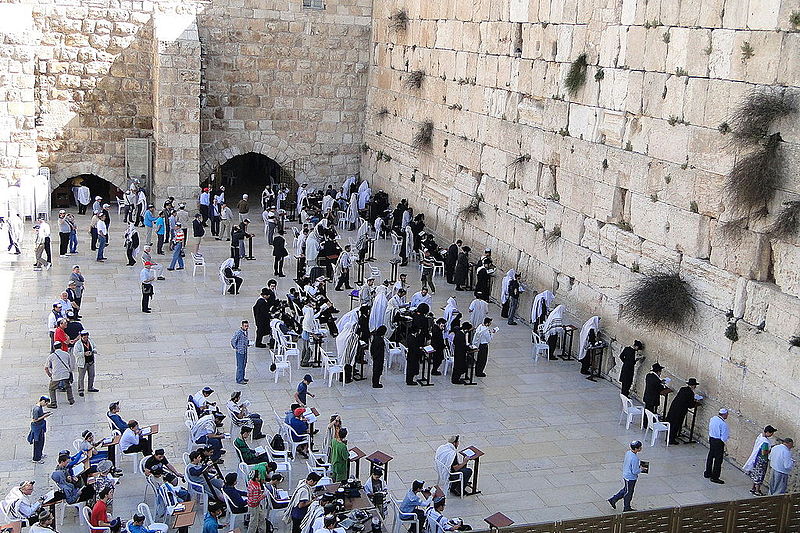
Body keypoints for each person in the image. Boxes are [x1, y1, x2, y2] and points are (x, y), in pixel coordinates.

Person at [607, 440, 643, 512]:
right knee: (628, 492)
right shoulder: (634, 458)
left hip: (626, 474)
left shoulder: (628, 453)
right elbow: (635, 471)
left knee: (626, 489)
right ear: (636, 449)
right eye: (639, 447)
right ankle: (626, 507)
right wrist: (641, 469)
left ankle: (613, 499)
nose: (641, 448)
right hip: (630, 477)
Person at [743, 425, 777, 496]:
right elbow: (764, 452)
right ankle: (757, 491)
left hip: (757, 459)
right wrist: (771, 450)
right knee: (760, 475)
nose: (772, 435)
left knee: (755, 474)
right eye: (771, 433)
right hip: (762, 460)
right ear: (767, 432)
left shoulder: (760, 437)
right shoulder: (765, 442)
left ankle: (753, 488)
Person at [665, 378, 700, 444]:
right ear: (693, 386)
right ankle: (671, 440)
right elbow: (690, 405)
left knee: (672, 423)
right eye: (695, 385)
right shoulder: (690, 393)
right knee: (676, 424)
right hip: (680, 411)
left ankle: (669, 437)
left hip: (674, 408)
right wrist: (696, 402)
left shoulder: (682, 389)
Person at [45, 342, 75, 408]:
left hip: (56, 376)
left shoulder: (51, 356)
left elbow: (46, 368)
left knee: (51, 389)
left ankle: (53, 403)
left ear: (54, 347)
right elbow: (71, 366)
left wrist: (50, 375)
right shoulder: (66, 354)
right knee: (68, 387)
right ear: (61, 346)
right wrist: (69, 372)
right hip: (65, 374)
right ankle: (71, 400)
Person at [704, 408, 730, 484]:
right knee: (718, 460)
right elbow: (724, 437)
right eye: (727, 414)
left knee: (710, 456)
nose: (727, 416)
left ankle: (707, 473)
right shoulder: (723, 424)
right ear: (724, 414)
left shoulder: (713, 418)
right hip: (718, 441)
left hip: (711, 439)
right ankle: (715, 477)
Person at [73, 330, 99, 396]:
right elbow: (75, 353)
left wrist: (93, 351)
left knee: (92, 375)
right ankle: (80, 389)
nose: (86, 338)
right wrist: (84, 354)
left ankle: (90, 387)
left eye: (86, 337)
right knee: (81, 377)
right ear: (81, 337)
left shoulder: (90, 341)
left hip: (90, 361)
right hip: (82, 363)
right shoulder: (78, 344)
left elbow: (94, 347)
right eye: (84, 337)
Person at [28, 396, 51, 463]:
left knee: (41, 442)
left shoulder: (40, 408)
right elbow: (35, 419)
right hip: (37, 428)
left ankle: (40, 454)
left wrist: (45, 414)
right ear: (43, 401)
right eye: (46, 403)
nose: (46, 405)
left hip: (40, 427)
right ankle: (36, 458)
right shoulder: (36, 409)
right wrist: (44, 416)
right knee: (37, 443)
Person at [246, 469, 269, 533]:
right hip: (254, 506)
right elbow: (255, 500)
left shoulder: (252, 482)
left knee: (262, 518)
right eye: (258, 476)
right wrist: (263, 495)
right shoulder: (255, 487)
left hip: (256, 505)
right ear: (256, 478)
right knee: (254, 522)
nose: (260, 476)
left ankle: (262, 531)